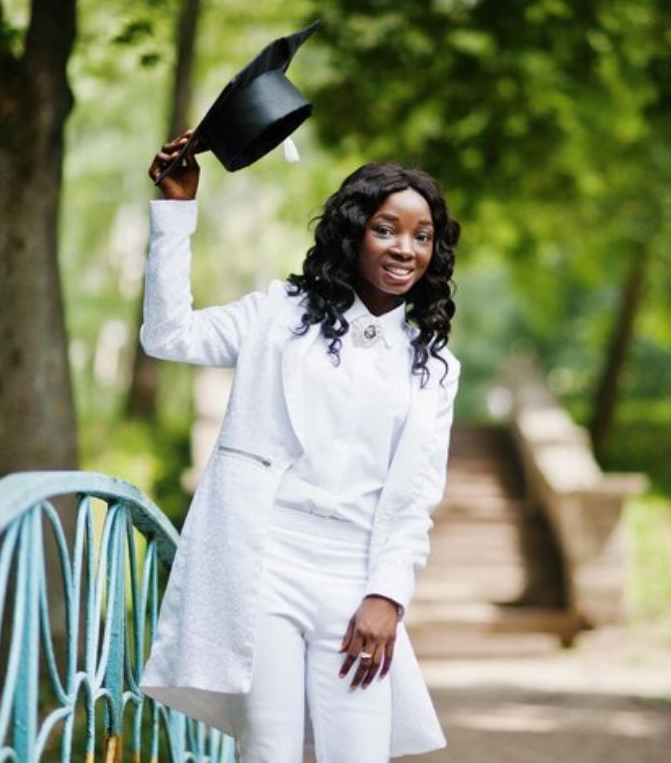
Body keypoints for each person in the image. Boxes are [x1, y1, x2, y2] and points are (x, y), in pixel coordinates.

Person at [138, 131, 462, 762]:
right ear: (353, 233)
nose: (405, 249)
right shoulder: (276, 316)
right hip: (264, 564)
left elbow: (415, 494)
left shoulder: (433, 364)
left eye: (421, 236)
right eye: (387, 229)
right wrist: (175, 213)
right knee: (269, 752)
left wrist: (387, 594)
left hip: (355, 577)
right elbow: (168, 334)